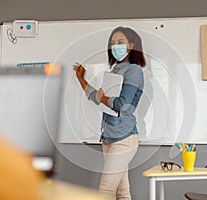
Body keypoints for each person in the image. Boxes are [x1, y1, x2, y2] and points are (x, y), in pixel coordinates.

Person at [73, 26, 146, 199]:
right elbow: (97, 99)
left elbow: (122, 104)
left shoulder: (134, 71)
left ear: (131, 46)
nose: (116, 46)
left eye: (120, 42)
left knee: (105, 191)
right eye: (113, 43)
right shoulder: (114, 71)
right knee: (122, 191)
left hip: (124, 139)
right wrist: (81, 78)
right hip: (108, 138)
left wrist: (103, 97)